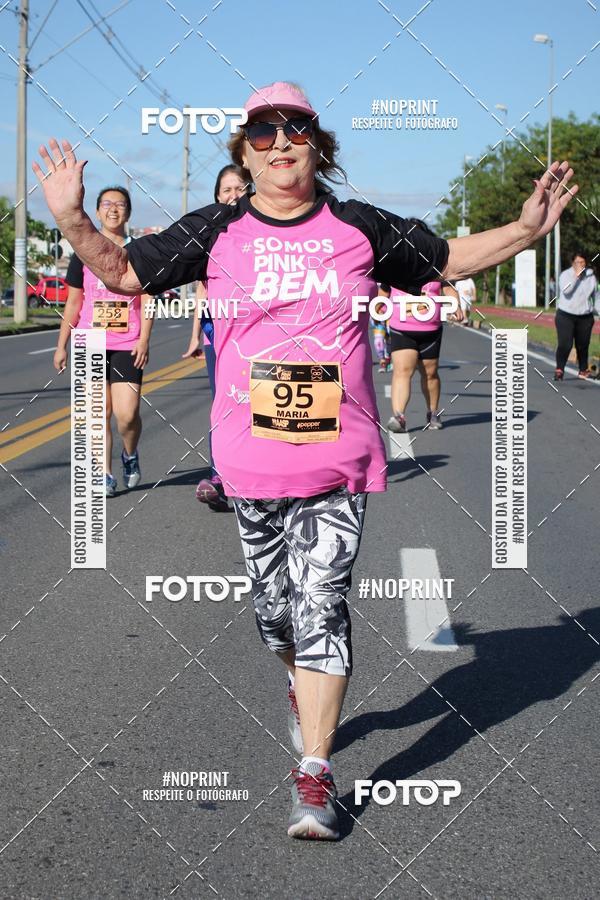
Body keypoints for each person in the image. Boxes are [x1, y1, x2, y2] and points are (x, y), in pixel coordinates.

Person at [34, 80, 577, 841]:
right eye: (263, 132)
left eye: (297, 129)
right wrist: (69, 217)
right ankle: (299, 683)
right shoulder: (215, 231)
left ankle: (316, 771)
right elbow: (124, 272)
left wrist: (523, 229)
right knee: (275, 614)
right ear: (245, 153)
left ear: (318, 146)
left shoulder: (358, 226)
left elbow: (448, 256)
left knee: (321, 604)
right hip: (250, 462)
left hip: (337, 458)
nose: (281, 141)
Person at [53, 186, 154, 496]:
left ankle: (129, 454)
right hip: (89, 340)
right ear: (96, 211)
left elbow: (149, 297)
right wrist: (61, 344)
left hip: (127, 342)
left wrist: (145, 339)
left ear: (128, 212)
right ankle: (104, 474)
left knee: (127, 415)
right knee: (99, 413)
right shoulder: (83, 251)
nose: (113, 209)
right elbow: (73, 301)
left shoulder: (139, 252)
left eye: (120, 204)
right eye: (107, 204)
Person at [182, 165, 248, 511]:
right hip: (216, 335)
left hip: (257, 337)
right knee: (223, 405)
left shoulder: (263, 230)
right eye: (226, 189)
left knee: (258, 403)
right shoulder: (208, 237)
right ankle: (220, 477)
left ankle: (260, 477)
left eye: (240, 187)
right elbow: (201, 293)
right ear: (216, 197)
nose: (233, 194)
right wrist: (195, 336)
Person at [380, 221, 462, 432]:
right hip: (402, 327)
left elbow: (449, 289)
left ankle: (433, 412)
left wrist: (456, 306)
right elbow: (383, 293)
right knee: (402, 370)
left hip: (430, 330)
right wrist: (379, 308)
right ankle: (399, 417)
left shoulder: (437, 265)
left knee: (430, 373)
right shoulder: (395, 263)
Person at [554, 251, 598, 380]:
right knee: (565, 344)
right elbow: (566, 290)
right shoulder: (565, 275)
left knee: (583, 344)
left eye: (582, 262)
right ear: (573, 263)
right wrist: (576, 277)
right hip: (565, 315)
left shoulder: (591, 277)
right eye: (577, 262)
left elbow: (596, 297)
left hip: (585, 316)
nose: (580, 265)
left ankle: (583, 369)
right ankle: (559, 369)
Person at [370, 302, 391, 373]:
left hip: (393, 313)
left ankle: (388, 359)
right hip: (379, 314)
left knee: (390, 339)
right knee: (378, 341)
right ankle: (383, 361)